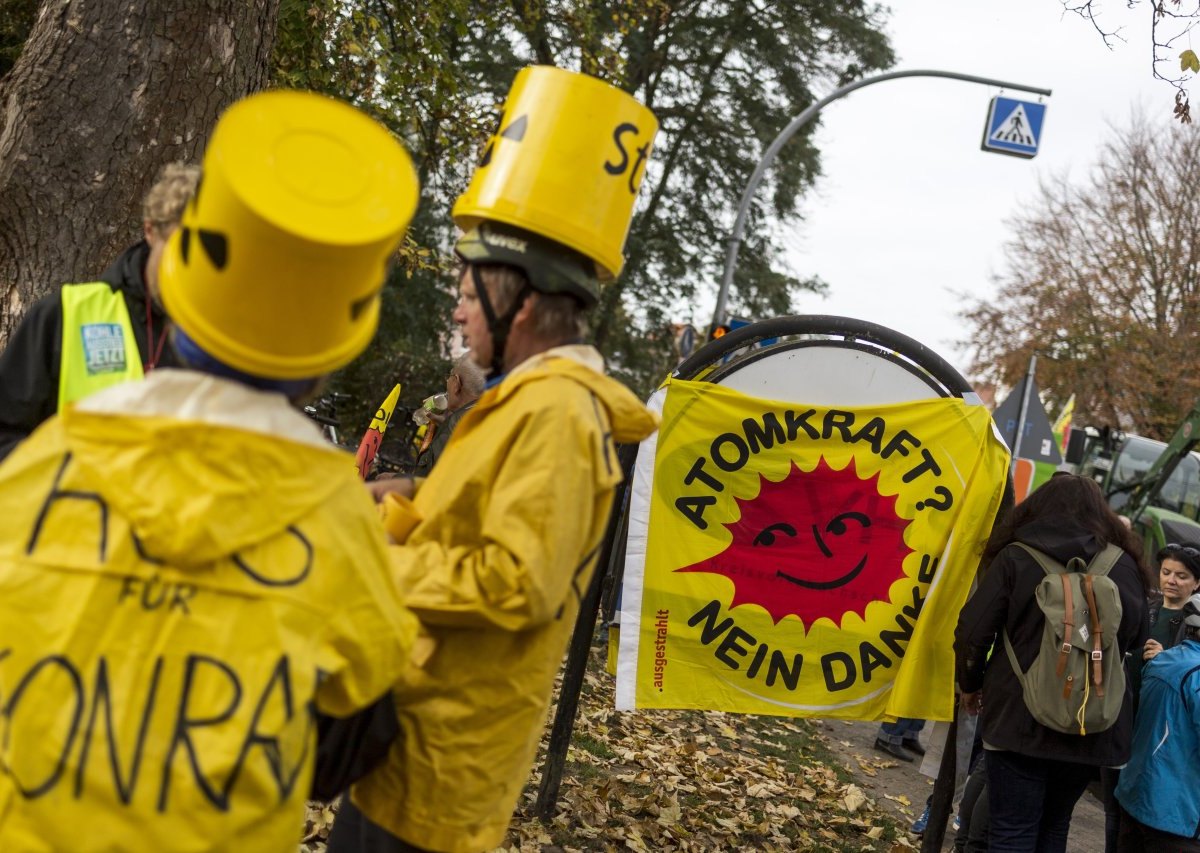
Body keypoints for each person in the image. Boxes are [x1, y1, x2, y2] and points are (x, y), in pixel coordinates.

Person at [0, 90, 422, 850]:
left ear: (186, 293)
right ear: (325, 359)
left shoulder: (34, 473)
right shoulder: (337, 517)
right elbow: (351, 740)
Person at [328, 66, 660, 853]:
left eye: (470, 291)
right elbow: (486, 526)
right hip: (412, 745)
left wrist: (371, 562)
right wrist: (410, 499)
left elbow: (517, 581)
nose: (459, 307)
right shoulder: (529, 400)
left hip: (440, 772)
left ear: (521, 299)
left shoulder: (556, 415)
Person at [955, 473, 1150, 853]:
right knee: (1055, 825)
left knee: (1011, 828)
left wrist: (970, 683)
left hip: (1018, 716)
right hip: (1092, 720)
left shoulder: (1016, 555)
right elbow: (1138, 639)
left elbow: (973, 631)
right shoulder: (1124, 565)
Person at [0, 162, 199, 461]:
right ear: (151, 230)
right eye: (182, 249)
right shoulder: (65, 316)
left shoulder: (235, 340)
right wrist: (71, 473)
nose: (191, 270)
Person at [1102, 541, 1200, 851]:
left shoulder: (1191, 624)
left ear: (1197, 583)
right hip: (1122, 716)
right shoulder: (1145, 607)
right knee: (1116, 806)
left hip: (1163, 730)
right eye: (1166, 572)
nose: (1171, 580)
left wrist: (1166, 658)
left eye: (1181, 576)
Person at [423, 353, 485, 468]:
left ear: (456, 384)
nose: (447, 381)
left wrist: (394, 478)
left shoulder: (455, 424)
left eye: (449, 376)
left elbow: (427, 478)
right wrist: (444, 422)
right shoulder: (484, 417)